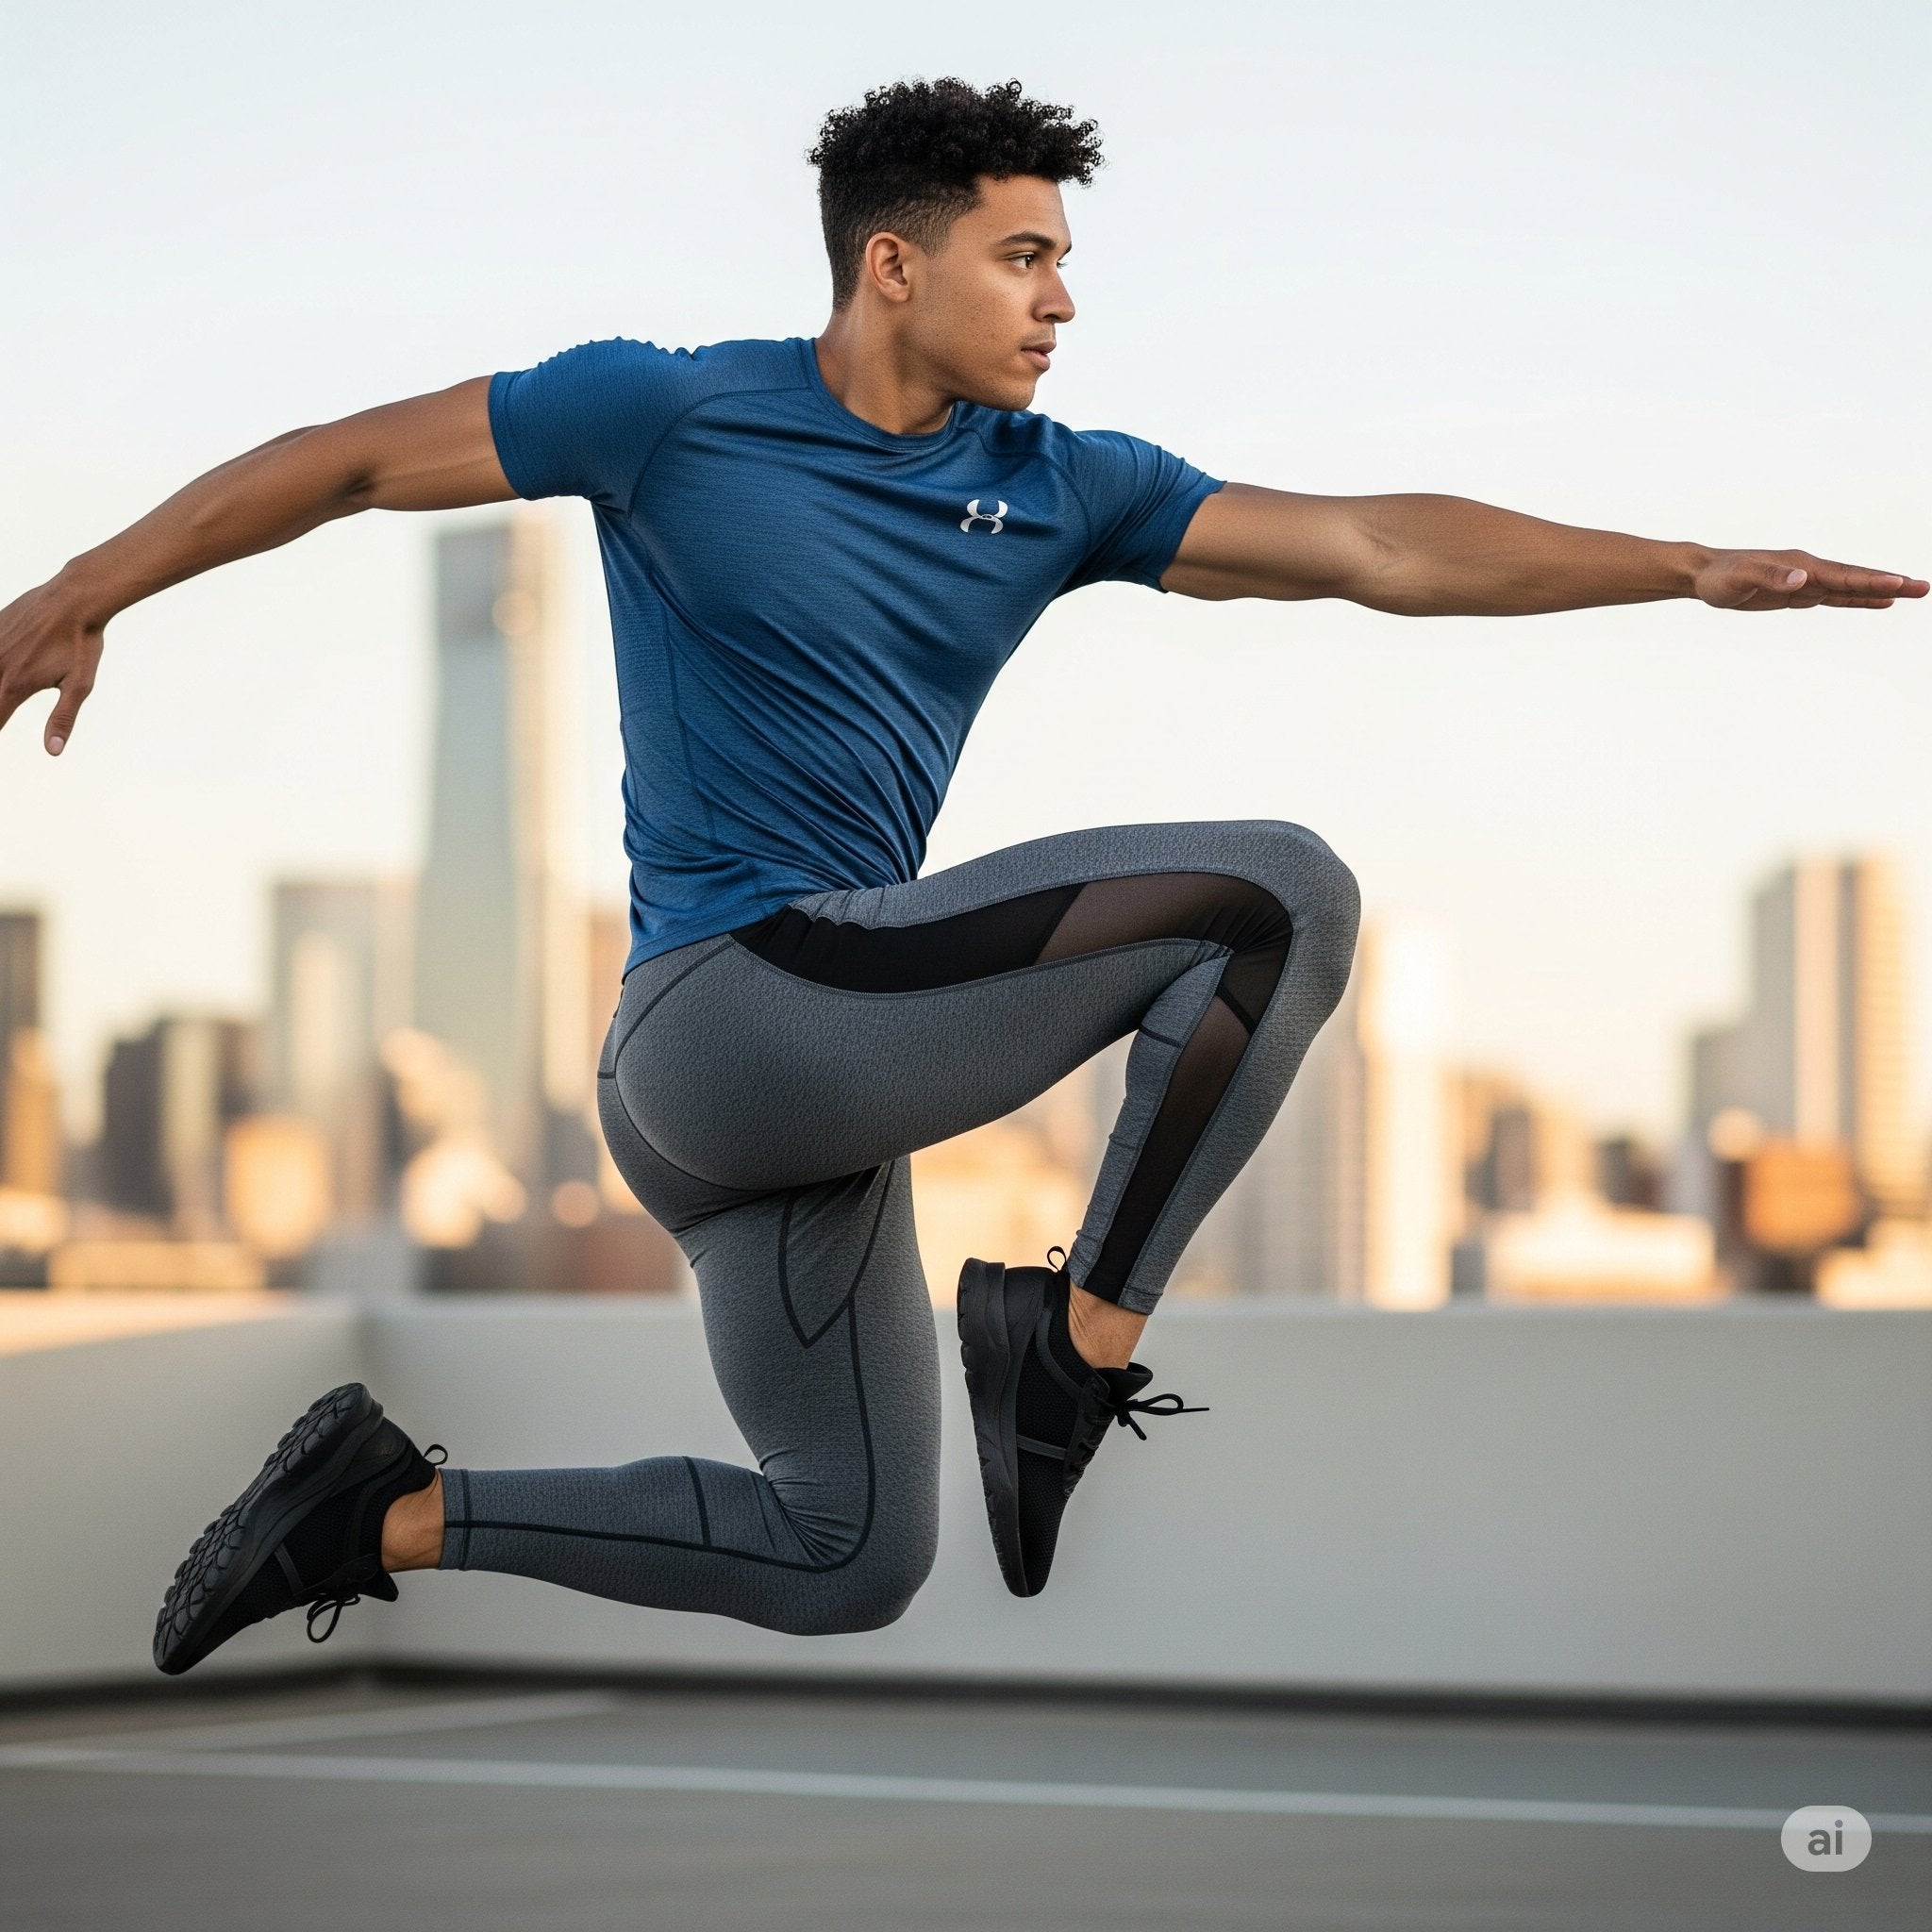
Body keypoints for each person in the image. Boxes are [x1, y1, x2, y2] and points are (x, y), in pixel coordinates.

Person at [2, 80, 1920, 1675]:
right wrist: (83, 590)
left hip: (802, 1087)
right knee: (1276, 896)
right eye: (1025, 255)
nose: (1060, 301)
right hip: (736, 1005)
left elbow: (1369, 544)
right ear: (891, 262)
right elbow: (340, 464)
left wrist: (1676, 562)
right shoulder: (664, 410)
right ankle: (1072, 1341)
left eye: (1068, 261)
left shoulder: (1055, 481)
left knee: (843, 1554)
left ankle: (380, 1506)